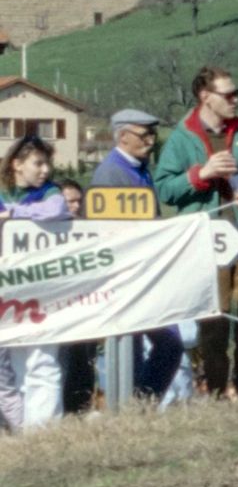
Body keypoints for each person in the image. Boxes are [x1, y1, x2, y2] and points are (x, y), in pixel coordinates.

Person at [154, 66, 238, 397]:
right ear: (205, 96)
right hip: (205, 244)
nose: (236, 99)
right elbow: (165, 188)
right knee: (214, 318)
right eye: (228, 94)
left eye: (236, 93)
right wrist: (202, 174)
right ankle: (215, 391)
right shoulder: (182, 138)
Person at [86, 108, 188, 403]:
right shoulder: (111, 172)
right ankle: (136, 406)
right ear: (123, 136)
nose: (151, 141)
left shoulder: (139, 168)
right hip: (128, 275)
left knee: (161, 344)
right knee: (149, 344)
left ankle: (139, 405)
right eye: (144, 135)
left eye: (153, 135)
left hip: (146, 271)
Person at [0, 134, 70, 431]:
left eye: (47, 164)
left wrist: (14, 214)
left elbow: (56, 210)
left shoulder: (49, 193)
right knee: (16, 366)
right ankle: (25, 431)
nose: (45, 170)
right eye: (37, 163)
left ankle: (44, 431)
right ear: (17, 164)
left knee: (43, 361)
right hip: (9, 291)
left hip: (41, 290)